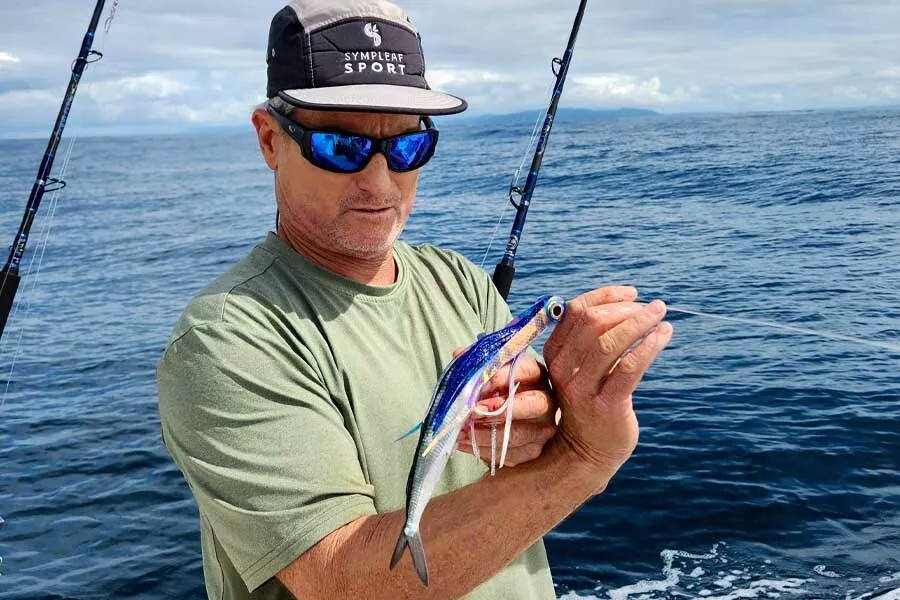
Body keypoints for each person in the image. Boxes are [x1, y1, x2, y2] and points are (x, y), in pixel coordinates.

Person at [155, 1, 673, 599]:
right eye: (339, 147)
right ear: (271, 140)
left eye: (406, 147)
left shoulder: (461, 282)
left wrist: (553, 420)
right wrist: (582, 459)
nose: (379, 183)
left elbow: (520, 477)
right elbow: (345, 582)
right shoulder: (228, 338)